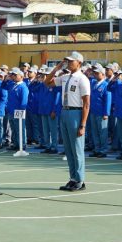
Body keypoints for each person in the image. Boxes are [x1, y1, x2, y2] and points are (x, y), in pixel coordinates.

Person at [45, 51, 91, 191]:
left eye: (72, 61)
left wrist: (82, 124)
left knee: (77, 148)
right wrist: (56, 68)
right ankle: (72, 178)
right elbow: (47, 82)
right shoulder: (65, 77)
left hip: (76, 113)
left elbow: (86, 104)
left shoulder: (82, 79)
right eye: (68, 61)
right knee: (69, 149)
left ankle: (80, 179)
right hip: (64, 111)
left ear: (79, 63)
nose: (69, 63)